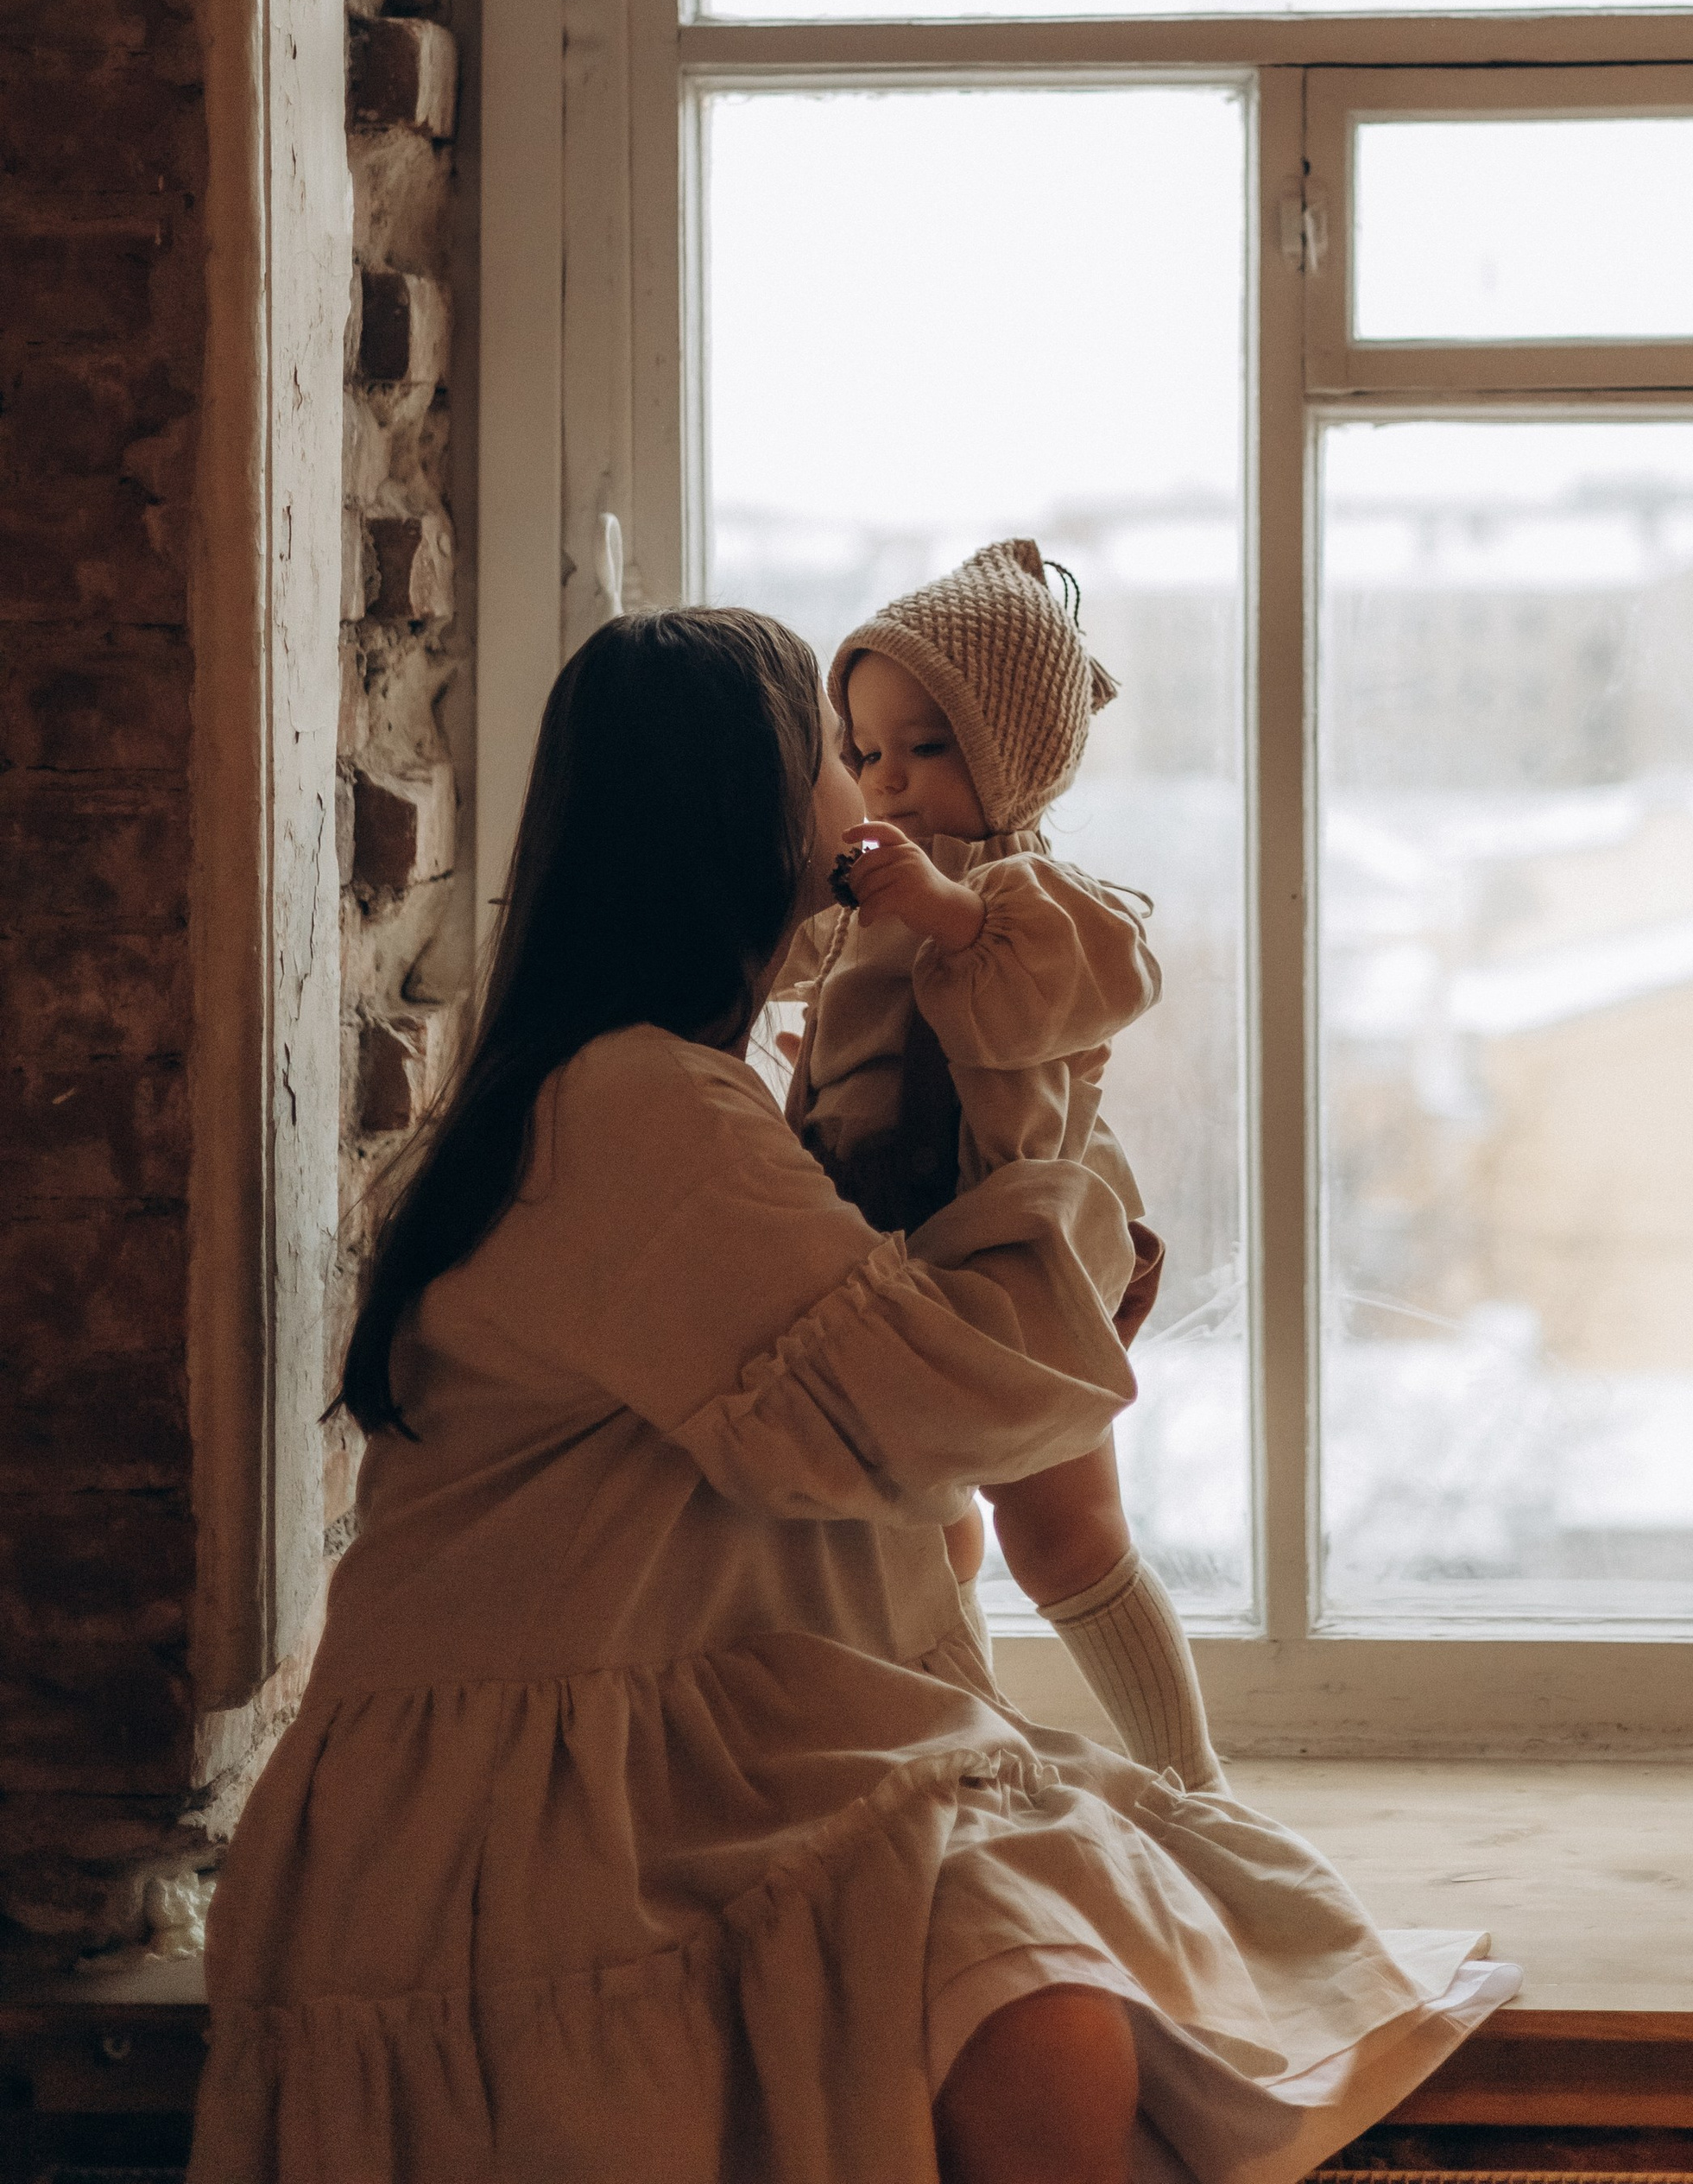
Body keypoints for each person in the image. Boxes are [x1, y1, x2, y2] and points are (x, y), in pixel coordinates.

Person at [189, 610, 1515, 2184]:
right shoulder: (639, 1111)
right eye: (832, 751)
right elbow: (928, 1411)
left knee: (1051, 1981)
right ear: (744, 814)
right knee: (1051, 2005)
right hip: (529, 1818)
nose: (863, 789)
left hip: (618, 1738)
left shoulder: (666, 1085)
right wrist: (1060, 1182)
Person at [777, 537, 1219, 1791]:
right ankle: (958, 1758)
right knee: (924, 1540)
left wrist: (947, 912)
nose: (889, 783)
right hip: (890, 1246)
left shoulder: (1037, 896)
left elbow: (1090, 984)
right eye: (862, 755)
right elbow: (830, 1003)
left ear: (1013, 753)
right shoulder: (875, 900)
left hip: (1014, 1257)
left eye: (926, 747)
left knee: (1068, 1535)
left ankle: (1193, 1776)